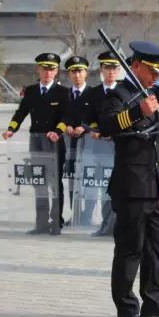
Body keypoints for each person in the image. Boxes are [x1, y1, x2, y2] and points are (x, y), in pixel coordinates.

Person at [99, 41, 159, 317]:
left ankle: (153, 302)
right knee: (129, 249)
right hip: (131, 186)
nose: (157, 77)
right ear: (135, 66)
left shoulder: (152, 95)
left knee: (156, 247)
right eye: (152, 71)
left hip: (155, 186)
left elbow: (158, 142)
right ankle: (126, 309)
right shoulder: (118, 95)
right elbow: (106, 126)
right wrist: (137, 111)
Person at [1, 52, 70, 235]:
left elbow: (67, 116)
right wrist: (11, 129)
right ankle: (40, 224)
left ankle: (55, 223)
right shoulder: (31, 91)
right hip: (36, 140)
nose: (48, 72)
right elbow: (21, 112)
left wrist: (57, 131)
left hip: (54, 140)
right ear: (38, 69)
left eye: (52, 69)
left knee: (54, 183)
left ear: (56, 71)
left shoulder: (63, 92)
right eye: (44, 68)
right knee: (39, 181)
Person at [88, 51, 122, 237]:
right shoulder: (94, 93)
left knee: (118, 188)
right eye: (107, 68)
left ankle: (117, 225)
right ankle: (106, 225)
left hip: (119, 147)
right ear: (101, 70)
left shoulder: (124, 91)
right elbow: (89, 117)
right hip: (100, 146)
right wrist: (94, 129)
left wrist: (115, 132)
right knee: (104, 187)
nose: (111, 72)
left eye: (115, 68)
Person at [64, 55, 96, 225]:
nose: (77, 75)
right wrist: (66, 126)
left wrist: (85, 127)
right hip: (70, 146)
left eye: (80, 71)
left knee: (89, 181)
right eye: (73, 72)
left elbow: (98, 117)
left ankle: (87, 216)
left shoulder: (94, 94)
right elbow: (60, 117)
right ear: (69, 74)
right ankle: (75, 214)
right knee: (71, 181)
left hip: (90, 146)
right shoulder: (65, 94)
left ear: (86, 73)